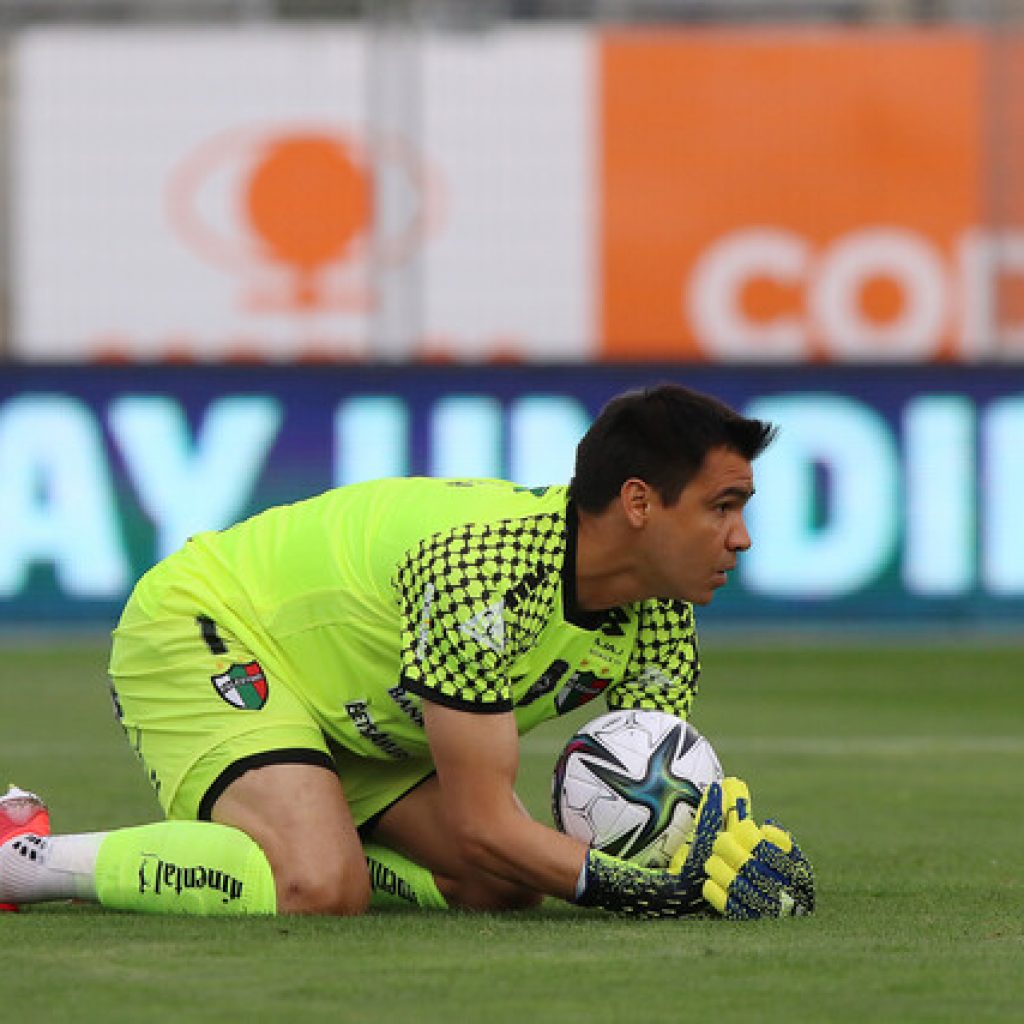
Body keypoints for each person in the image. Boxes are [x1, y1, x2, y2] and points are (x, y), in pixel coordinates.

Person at [0, 383, 814, 920]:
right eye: (723, 506)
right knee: (318, 886)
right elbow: (485, 819)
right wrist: (652, 897)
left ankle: (319, 824)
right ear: (639, 503)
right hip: (211, 622)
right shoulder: (484, 576)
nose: (740, 537)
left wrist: (717, 840)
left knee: (501, 888)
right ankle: (24, 859)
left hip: (351, 708)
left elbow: (660, 778)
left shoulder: (658, 610)